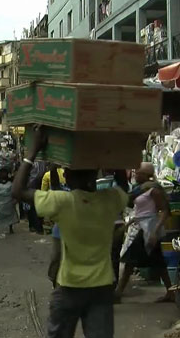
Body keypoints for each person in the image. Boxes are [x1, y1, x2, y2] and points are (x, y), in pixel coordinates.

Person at [12, 126, 129, 338]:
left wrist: (33, 151)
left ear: (71, 176)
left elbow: (17, 190)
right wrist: (111, 150)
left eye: (67, 171)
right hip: (101, 289)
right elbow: (124, 185)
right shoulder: (111, 199)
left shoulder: (63, 202)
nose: (64, 173)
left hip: (69, 288)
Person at [115, 162, 173, 303]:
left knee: (130, 261)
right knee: (158, 263)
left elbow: (164, 211)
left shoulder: (154, 190)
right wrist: (129, 222)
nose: (135, 174)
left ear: (146, 175)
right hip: (141, 227)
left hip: (148, 230)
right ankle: (171, 292)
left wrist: (155, 231)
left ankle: (117, 294)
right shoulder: (140, 189)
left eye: (138, 172)